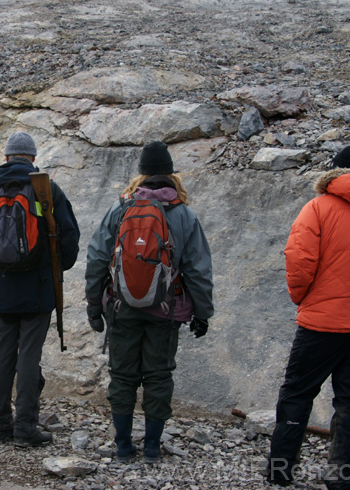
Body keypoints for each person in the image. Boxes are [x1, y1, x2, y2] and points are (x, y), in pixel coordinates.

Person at [266, 145, 350, 489]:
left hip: (321, 324)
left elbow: (299, 261)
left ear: (334, 171)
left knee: (297, 393)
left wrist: (303, 299)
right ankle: (342, 478)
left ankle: (280, 471)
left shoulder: (317, 209)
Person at [85, 141, 214, 463]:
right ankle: (153, 447)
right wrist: (202, 312)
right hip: (166, 311)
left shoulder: (121, 208)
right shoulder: (184, 214)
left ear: (141, 174)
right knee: (158, 375)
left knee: (123, 375)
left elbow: (97, 258)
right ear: (171, 174)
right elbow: (198, 270)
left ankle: (124, 445)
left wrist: (92, 304)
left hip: (122, 307)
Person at [0, 131, 80, 447]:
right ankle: (25, 428)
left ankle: (1, 425)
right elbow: (69, 239)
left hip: (1, 291)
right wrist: (54, 270)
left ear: (6, 157)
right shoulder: (46, 190)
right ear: (32, 157)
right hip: (39, 289)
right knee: (29, 357)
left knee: (2, 354)